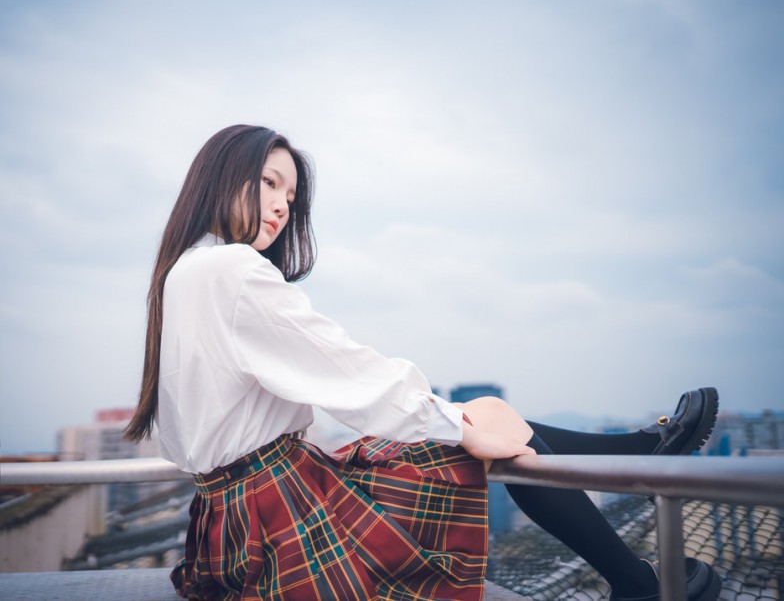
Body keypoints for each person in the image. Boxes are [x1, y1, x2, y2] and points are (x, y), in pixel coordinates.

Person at [124, 125, 722, 601]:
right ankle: (636, 520)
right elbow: (347, 370)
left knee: (489, 421)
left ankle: (636, 525)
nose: (281, 206)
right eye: (268, 182)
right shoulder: (232, 269)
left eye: (290, 195)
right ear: (222, 177)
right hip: (281, 513)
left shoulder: (182, 273)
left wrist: (459, 422)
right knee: (490, 427)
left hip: (226, 528)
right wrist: (458, 426)